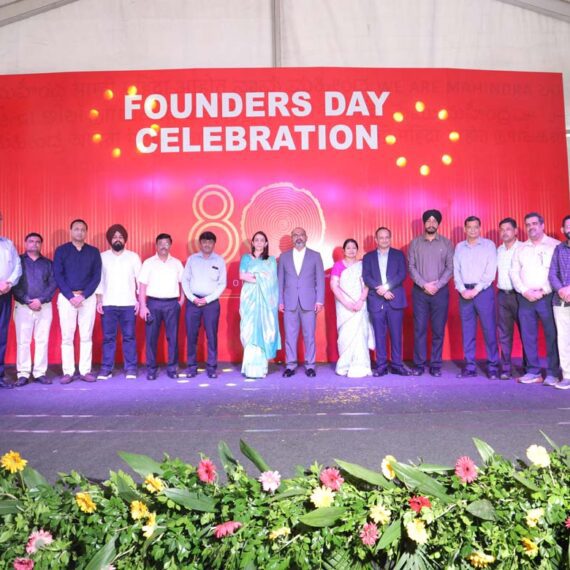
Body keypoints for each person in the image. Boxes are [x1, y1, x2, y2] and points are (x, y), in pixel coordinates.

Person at [510, 212, 561, 385]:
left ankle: (553, 373)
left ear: (542, 225)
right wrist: (525, 291)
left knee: (552, 335)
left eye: (534, 224)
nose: (531, 227)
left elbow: (558, 272)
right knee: (528, 336)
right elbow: (514, 272)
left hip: (548, 297)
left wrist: (544, 290)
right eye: (528, 225)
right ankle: (533, 372)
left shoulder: (555, 246)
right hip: (526, 298)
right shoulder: (520, 248)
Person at [53, 219, 102, 384]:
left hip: (87, 298)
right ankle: (68, 372)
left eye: (82, 229)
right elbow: (58, 275)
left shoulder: (93, 252)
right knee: (67, 336)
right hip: (67, 298)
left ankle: (85, 371)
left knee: (86, 335)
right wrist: (70, 296)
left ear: (86, 232)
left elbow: (96, 277)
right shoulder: (61, 251)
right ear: (71, 231)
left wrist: (83, 295)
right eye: (76, 229)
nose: (79, 232)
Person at [408, 210, 454, 377]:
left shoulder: (446, 243)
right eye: (428, 221)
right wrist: (424, 284)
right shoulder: (415, 243)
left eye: (434, 221)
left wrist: (437, 285)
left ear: (438, 224)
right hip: (420, 292)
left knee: (438, 330)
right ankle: (419, 365)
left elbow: (450, 267)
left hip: (440, 293)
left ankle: (435, 365)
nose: (431, 224)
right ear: (424, 223)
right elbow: (411, 267)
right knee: (419, 329)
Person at [453, 216, 500, 379]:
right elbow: (456, 271)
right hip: (464, 293)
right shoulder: (459, 247)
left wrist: (476, 290)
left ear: (480, 228)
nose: (472, 230)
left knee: (489, 330)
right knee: (468, 331)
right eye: (469, 227)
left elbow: (490, 272)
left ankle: (493, 366)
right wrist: (462, 290)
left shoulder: (489, 245)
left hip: (484, 292)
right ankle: (470, 367)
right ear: (465, 229)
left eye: (475, 227)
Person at [96, 224, 142, 380]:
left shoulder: (133, 257)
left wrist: (139, 301)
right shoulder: (102, 257)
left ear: (125, 239)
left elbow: (140, 280)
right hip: (108, 304)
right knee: (108, 338)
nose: (117, 239)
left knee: (129, 337)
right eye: (115, 237)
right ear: (110, 239)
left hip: (128, 304)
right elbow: (99, 280)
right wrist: (99, 301)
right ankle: (106, 368)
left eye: (120, 237)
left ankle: (131, 368)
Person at [278, 227, 325, 377]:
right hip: (289, 302)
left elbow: (320, 280)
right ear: (292, 238)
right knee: (290, 336)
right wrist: (280, 301)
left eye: (301, 235)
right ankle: (290, 365)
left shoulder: (315, 256)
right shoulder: (283, 257)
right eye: (295, 235)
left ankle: (310, 365)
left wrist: (319, 300)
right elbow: (280, 281)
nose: (298, 237)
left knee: (309, 336)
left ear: (306, 237)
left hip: (309, 302)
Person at [362, 228, 409, 376]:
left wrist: (386, 288)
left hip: (395, 299)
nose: (384, 240)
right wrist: (381, 290)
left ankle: (397, 365)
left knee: (396, 335)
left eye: (387, 237)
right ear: (376, 240)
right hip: (376, 300)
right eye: (381, 237)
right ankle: (381, 365)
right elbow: (366, 276)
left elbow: (402, 274)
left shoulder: (398, 255)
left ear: (390, 238)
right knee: (379, 335)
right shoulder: (368, 257)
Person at [11, 233, 57, 386]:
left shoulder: (48, 264)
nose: (34, 244)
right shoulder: (17, 262)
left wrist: (40, 300)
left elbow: (53, 283)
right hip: (23, 306)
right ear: (25, 243)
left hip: (44, 306)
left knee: (42, 340)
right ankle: (23, 373)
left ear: (41, 244)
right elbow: (14, 283)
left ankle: (39, 372)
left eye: (38, 242)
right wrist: (27, 300)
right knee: (23, 341)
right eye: (31, 241)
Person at [138, 233, 184, 381]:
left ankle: (172, 368)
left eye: (166, 243)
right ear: (156, 246)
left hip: (172, 304)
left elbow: (183, 283)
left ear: (170, 245)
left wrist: (181, 301)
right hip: (153, 304)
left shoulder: (176, 263)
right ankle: (151, 369)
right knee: (151, 338)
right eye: (161, 243)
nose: (164, 246)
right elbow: (142, 286)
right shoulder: (148, 263)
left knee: (173, 337)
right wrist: (143, 306)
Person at [182, 231, 227, 379]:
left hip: (211, 304)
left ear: (214, 244)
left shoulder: (219, 261)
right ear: (200, 243)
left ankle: (212, 367)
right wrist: (192, 298)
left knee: (211, 336)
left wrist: (207, 299)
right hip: (193, 302)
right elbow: (185, 281)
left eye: (210, 242)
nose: (207, 244)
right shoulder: (192, 260)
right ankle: (191, 367)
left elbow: (222, 284)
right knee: (191, 335)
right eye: (204, 242)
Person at [239, 231, 280, 378]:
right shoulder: (246, 258)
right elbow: (242, 275)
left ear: (266, 243)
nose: (259, 242)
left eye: (262, 240)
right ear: (252, 243)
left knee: (263, 330)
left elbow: (272, 280)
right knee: (249, 330)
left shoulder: (271, 260)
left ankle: (261, 368)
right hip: (249, 298)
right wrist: (261, 277)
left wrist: (254, 276)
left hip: (265, 300)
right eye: (256, 240)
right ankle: (249, 368)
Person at [331, 238, 373, 377]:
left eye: (354, 248)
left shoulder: (362, 265)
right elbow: (334, 286)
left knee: (360, 334)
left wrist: (361, 300)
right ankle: (345, 365)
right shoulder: (338, 266)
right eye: (348, 248)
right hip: (344, 306)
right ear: (344, 251)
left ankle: (360, 365)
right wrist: (346, 303)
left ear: (357, 250)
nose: (351, 250)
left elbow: (367, 285)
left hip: (360, 304)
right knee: (346, 335)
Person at [496, 217, 524, 380]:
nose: (505, 232)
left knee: (525, 332)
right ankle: (506, 368)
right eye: (502, 229)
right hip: (502, 296)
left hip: (520, 296)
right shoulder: (498, 250)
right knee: (504, 334)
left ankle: (528, 368)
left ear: (515, 231)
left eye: (508, 229)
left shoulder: (523, 248)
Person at [0, 211, 22, 389]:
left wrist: (8, 283)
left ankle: (0, 375)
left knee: (1, 335)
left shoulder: (8, 244)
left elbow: (17, 266)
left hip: (5, 294)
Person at [548, 215, 570, 390]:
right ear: (563, 230)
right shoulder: (558, 249)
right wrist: (561, 290)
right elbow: (552, 274)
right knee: (563, 340)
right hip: (561, 300)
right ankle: (567, 375)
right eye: (568, 226)